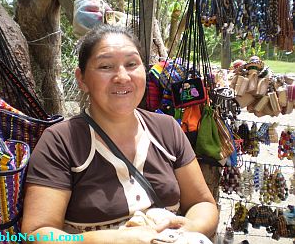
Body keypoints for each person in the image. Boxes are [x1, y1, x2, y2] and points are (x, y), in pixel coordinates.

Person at [21, 24, 219, 243]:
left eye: (132, 64)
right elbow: (37, 232)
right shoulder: (61, 141)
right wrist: (114, 240)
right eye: (106, 66)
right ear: (82, 79)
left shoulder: (167, 129)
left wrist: (186, 229)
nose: (122, 77)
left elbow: (203, 204)